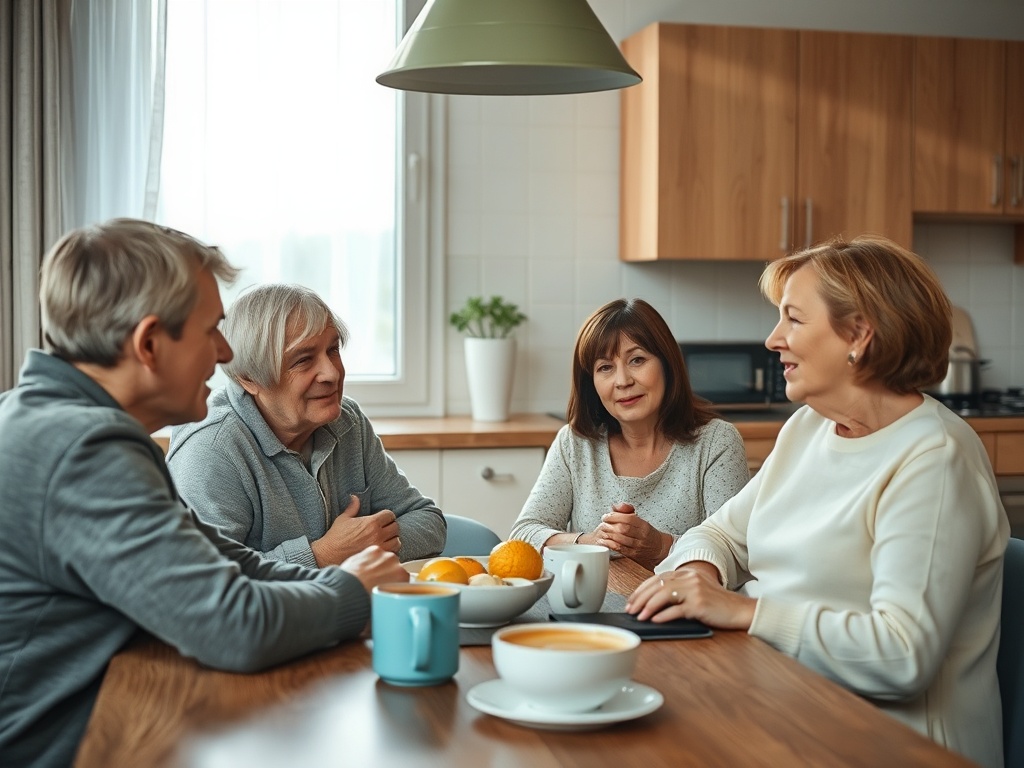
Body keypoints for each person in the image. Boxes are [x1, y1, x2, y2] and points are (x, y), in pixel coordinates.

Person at [0, 219, 409, 768]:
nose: (224, 353)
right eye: (211, 330)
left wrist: (334, 579)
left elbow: (219, 558)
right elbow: (234, 626)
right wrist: (353, 594)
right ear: (149, 345)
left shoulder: (61, 422)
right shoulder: (81, 449)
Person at [626, 236, 1009, 768]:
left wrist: (745, 611)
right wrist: (698, 575)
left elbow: (902, 654)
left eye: (794, 320)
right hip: (781, 700)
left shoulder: (933, 459)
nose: (773, 339)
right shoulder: (810, 427)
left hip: (892, 743)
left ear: (859, 335)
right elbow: (722, 534)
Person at [166, 284, 446, 567]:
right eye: (303, 360)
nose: (332, 373)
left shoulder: (347, 421)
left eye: (333, 349)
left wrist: (367, 548)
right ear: (249, 379)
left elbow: (428, 521)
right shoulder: (211, 449)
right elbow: (202, 580)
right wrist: (322, 555)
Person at [510, 298, 749, 570]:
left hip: (680, 606)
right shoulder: (575, 443)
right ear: (592, 383)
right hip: (591, 606)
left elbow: (736, 551)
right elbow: (524, 534)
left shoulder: (717, 442)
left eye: (637, 360)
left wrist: (660, 546)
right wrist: (589, 542)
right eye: (605, 368)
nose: (622, 381)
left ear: (667, 365)